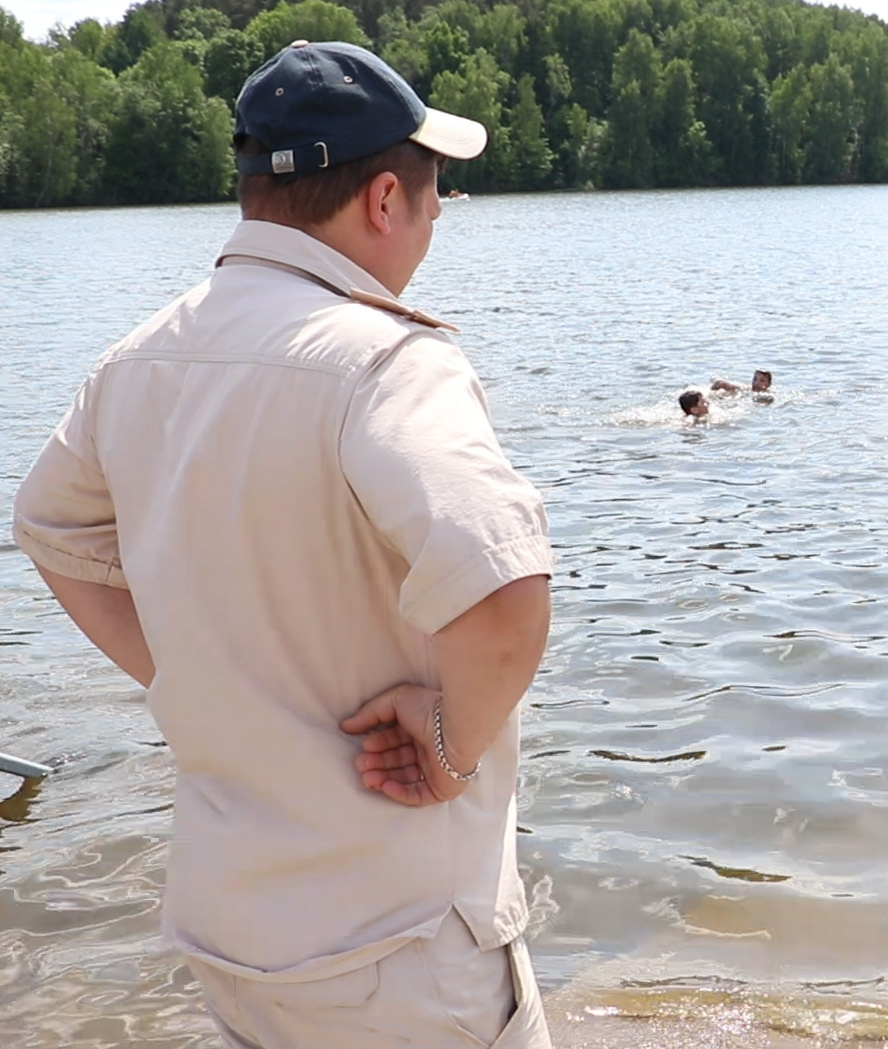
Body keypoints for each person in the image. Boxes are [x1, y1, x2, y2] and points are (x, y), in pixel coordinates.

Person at [11, 41, 555, 1049]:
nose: (436, 221)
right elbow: (504, 600)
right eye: (437, 196)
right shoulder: (387, 362)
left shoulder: (133, 362)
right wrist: (448, 742)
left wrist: (189, 671)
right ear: (386, 199)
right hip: (399, 944)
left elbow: (51, 529)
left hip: (234, 923)